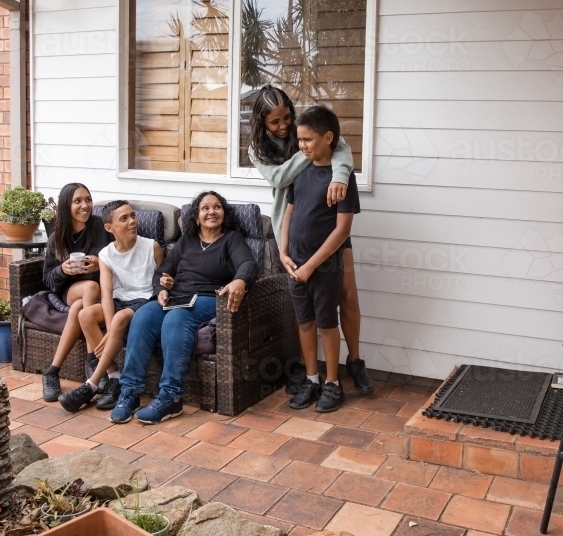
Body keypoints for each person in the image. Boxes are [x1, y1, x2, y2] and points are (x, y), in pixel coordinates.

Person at [247, 85, 373, 395]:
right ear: (261, 122)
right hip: (292, 231)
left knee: (348, 295)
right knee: (304, 306)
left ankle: (354, 362)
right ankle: (310, 373)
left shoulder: (306, 129)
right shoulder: (258, 149)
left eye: (286, 117)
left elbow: (339, 146)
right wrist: (310, 152)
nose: (283, 126)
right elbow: (279, 178)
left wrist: (340, 175)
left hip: (329, 228)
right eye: (274, 122)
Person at [109, 191, 257, 425]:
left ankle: (171, 396)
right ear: (196, 217)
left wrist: (240, 280)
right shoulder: (186, 241)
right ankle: (130, 392)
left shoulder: (232, 239)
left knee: (177, 318)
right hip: (177, 297)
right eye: (205, 208)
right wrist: (162, 288)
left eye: (217, 207)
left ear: (224, 213)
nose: (212, 212)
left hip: (210, 298)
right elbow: (162, 272)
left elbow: (248, 264)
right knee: (144, 314)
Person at [281, 106, 361, 413]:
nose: (301, 146)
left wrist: (311, 265)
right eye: (299, 140)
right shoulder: (300, 171)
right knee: (305, 323)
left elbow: (342, 231)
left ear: (328, 138)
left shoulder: (341, 180)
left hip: (324, 266)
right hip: (295, 264)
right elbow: (289, 212)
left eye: (307, 139)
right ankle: (312, 379)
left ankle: (332, 383)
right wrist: (283, 252)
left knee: (327, 323)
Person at [58, 200, 164, 413]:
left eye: (133, 216)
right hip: (119, 300)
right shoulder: (106, 254)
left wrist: (113, 328)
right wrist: (109, 329)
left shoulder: (151, 246)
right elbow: (106, 295)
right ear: (109, 227)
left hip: (146, 300)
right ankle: (114, 377)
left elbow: (161, 280)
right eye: (124, 219)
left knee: (120, 317)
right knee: (86, 314)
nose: (132, 222)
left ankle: (92, 384)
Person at [39, 183, 111, 402]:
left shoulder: (100, 227)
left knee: (80, 307)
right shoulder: (57, 236)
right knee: (88, 288)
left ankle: (52, 371)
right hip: (70, 291)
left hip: (97, 293)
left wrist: (101, 264)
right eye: (78, 201)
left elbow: (118, 256)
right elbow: (48, 281)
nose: (85, 206)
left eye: (88, 200)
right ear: (65, 205)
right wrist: (63, 269)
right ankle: (92, 359)